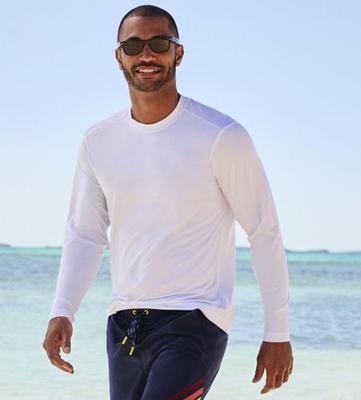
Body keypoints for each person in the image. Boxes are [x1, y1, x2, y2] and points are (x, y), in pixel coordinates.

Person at [42, 4, 293, 399]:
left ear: (179, 52)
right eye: (133, 45)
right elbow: (85, 233)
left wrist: (277, 332)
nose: (146, 54)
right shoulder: (98, 141)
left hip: (196, 322)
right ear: (119, 57)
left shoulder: (221, 136)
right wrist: (63, 309)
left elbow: (264, 231)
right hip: (124, 324)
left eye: (159, 43)